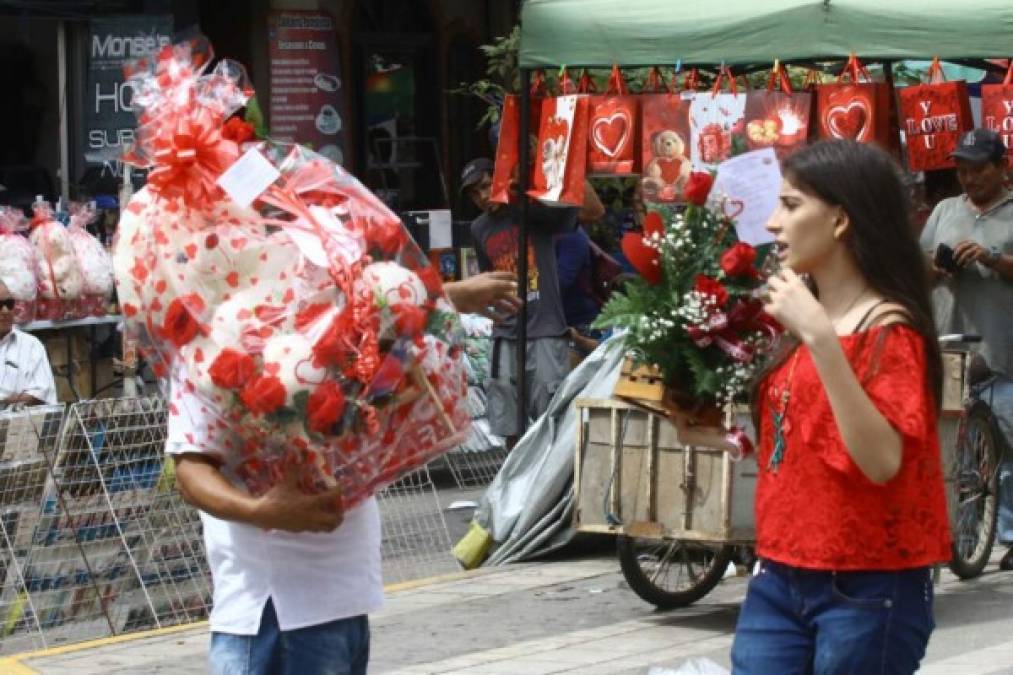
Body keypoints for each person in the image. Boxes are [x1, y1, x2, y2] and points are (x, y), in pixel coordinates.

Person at [675, 140, 951, 673]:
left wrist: (822, 340)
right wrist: (708, 436)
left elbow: (880, 461)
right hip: (779, 570)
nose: (774, 223)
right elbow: (799, 444)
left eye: (792, 205)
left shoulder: (887, 329)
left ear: (842, 219)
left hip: (867, 583)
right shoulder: (803, 318)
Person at [170, 271, 521, 675]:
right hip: (276, 613)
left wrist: (446, 300)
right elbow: (191, 468)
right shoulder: (212, 350)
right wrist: (263, 512)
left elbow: (380, 328)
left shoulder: (331, 336)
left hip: (347, 598)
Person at [918, 128, 1013, 570]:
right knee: (952, 445)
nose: (969, 178)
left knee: (1008, 448)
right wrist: (937, 268)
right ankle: (960, 531)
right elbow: (917, 268)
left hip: (1001, 348)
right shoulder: (943, 210)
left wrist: (992, 258)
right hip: (948, 347)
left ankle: (1010, 535)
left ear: (1001, 167)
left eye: (978, 169)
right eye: (962, 170)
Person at [462, 157, 604, 446]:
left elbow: (590, 211)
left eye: (486, 186)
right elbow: (489, 278)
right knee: (508, 422)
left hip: (545, 329)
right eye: (474, 193)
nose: (482, 196)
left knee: (549, 419)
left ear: (499, 180)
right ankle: (517, 485)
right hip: (505, 333)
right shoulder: (479, 228)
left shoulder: (531, 210)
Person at [0, 280, 57, 407]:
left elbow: (41, 393)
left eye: (9, 304)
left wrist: (3, 402)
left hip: (18, 424)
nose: (5, 310)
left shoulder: (31, 345)